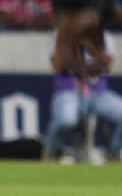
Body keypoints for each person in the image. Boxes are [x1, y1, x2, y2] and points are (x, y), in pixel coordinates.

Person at [45, 26, 122, 162]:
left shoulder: (104, 35)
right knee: (65, 119)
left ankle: (115, 152)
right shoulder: (61, 33)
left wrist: (90, 46)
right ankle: (50, 152)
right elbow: (57, 65)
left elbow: (107, 66)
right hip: (68, 90)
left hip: (98, 92)